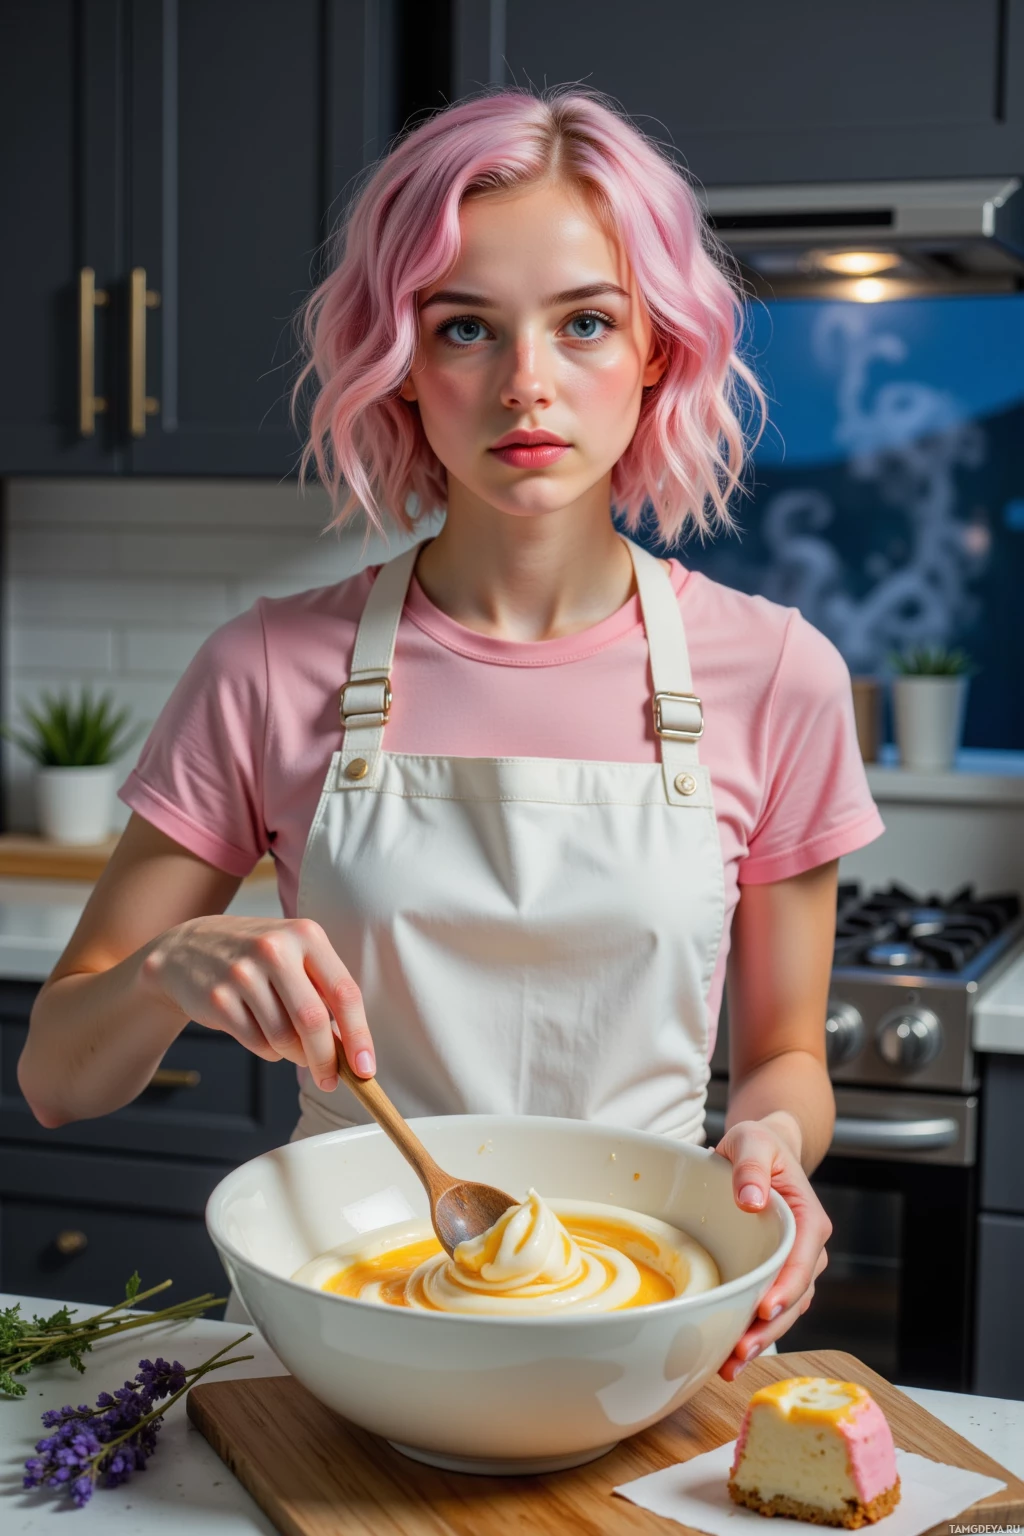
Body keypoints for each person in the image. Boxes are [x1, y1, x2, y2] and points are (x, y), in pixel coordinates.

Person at [18, 88, 883, 1380]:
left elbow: (782, 1060)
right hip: (337, 1339)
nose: (526, 384)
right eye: (464, 328)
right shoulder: (267, 667)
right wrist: (167, 972)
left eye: (586, 322)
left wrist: (772, 1148)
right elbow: (57, 1080)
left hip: (641, 1335)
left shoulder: (777, 675)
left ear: (657, 348)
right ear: (401, 362)